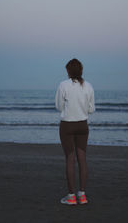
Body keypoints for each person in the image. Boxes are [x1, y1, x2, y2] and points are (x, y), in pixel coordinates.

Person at [55, 58, 95, 205]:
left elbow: (59, 106)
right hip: (83, 125)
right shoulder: (88, 86)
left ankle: (71, 197)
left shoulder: (63, 85)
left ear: (68, 71)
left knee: (70, 159)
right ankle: (82, 195)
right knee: (82, 159)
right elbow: (91, 109)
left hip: (67, 125)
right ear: (81, 71)